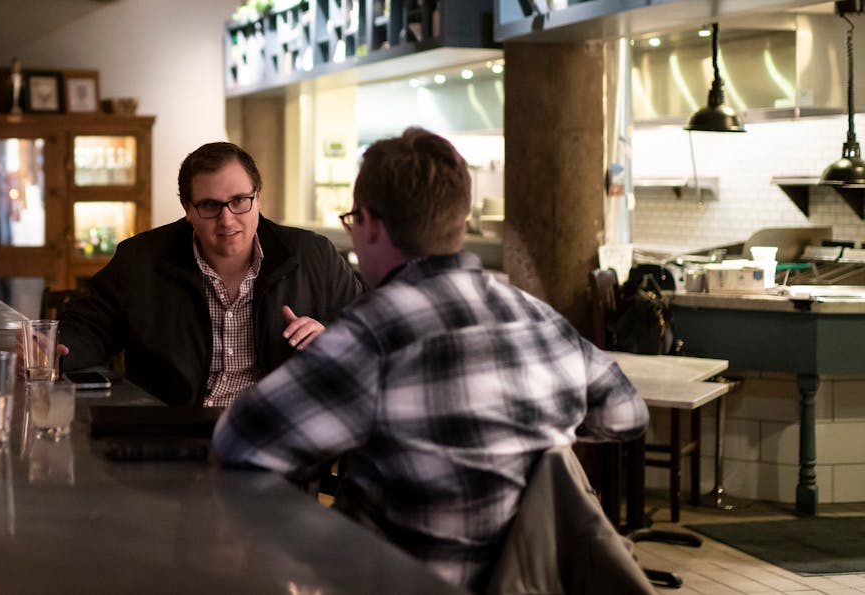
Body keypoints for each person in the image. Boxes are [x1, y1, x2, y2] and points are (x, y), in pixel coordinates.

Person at [212, 128, 647, 592]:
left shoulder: (373, 335)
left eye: (352, 223)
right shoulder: (537, 318)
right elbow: (627, 413)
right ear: (459, 219)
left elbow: (239, 444)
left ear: (372, 223)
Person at [54, 141, 362, 407]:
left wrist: (331, 337)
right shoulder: (141, 259)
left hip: (276, 432)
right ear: (188, 209)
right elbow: (91, 326)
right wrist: (54, 348)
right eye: (210, 205)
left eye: (239, 201)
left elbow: (369, 333)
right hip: (173, 435)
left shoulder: (313, 256)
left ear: (258, 198)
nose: (227, 220)